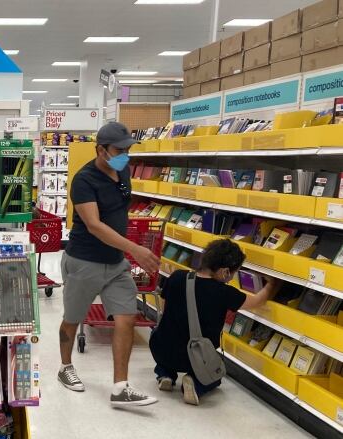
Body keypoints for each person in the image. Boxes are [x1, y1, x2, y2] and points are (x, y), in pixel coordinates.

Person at [58, 121, 160, 407]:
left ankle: (121, 387)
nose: (125, 154)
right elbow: (93, 225)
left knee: (126, 318)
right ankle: (65, 367)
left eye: (128, 149)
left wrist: (127, 252)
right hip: (84, 261)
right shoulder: (84, 180)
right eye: (119, 150)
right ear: (100, 150)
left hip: (116, 263)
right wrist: (135, 250)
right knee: (72, 318)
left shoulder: (123, 170)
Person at [149, 239, 279, 405]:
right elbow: (257, 302)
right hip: (194, 357)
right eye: (233, 273)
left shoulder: (177, 277)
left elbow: (164, 309)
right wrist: (273, 284)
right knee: (215, 376)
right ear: (225, 272)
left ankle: (165, 374)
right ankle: (195, 383)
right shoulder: (224, 292)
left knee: (165, 339)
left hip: (162, 349)